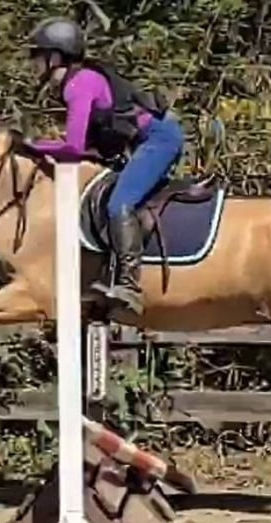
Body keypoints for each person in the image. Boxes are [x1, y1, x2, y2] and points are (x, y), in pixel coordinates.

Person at [25, 17, 185, 316]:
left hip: (158, 140)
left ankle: (129, 285)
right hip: (144, 141)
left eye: (38, 56)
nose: (33, 64)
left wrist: (33, 146)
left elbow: (73, 148)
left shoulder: (79, 84)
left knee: (119, 203)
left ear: (56, 57)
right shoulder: (80, 79)